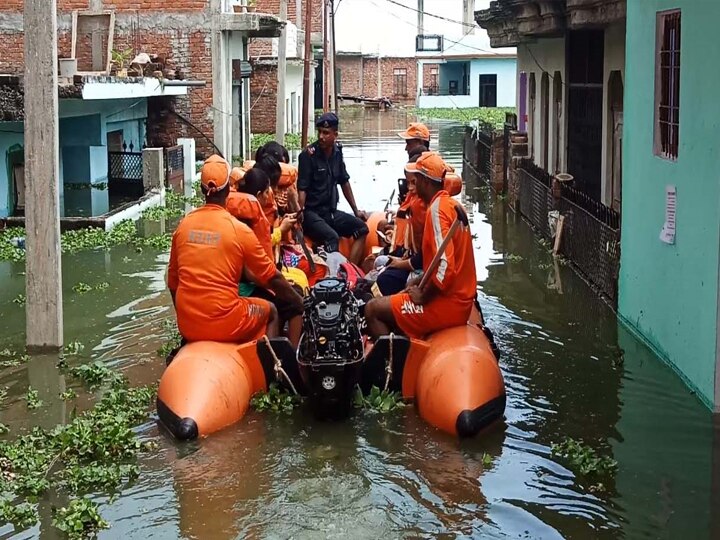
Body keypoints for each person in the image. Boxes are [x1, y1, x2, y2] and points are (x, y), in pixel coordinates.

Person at [167, 154, 303, 344]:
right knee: (272, 310)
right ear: (227, 192)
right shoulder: (239, 230)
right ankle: (274, 370)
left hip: (187, 325)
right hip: (226, 320)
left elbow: (173, 284)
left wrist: (185, 318)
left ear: (201, 189)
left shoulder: (183, 226)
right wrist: (298, 301)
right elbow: (271, 276)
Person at [365, 152, 477, 340]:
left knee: (372, 309)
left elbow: (444, 269)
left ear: (425, 181)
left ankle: (394, 367)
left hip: (448, 305)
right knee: (402, 289)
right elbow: (441, 262)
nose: (413, 185)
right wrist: (417, 282)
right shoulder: (451, 205)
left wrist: (423, 297)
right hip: (458, 300)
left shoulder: (437, 211)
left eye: (416, 179)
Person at [298, 112, 369, 265]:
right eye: (320, 132)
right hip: (312, 213)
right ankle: (333, 281)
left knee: (362, 229)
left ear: (335, 134)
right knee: (332, 237)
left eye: (326, 133)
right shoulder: (308, 155)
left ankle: (351, 272)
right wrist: (300, 213)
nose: (321, 136)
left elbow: (344, 182)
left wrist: (356, 210)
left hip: (329, 212)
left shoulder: (337, 153)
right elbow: (302, 188)